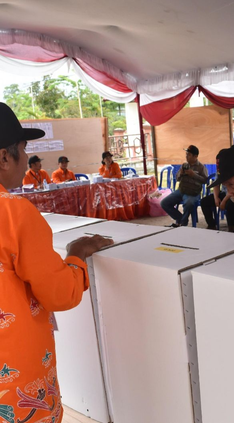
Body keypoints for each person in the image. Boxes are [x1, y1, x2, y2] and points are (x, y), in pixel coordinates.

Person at [0, 102, 113, 423]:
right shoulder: (13, 212)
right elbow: (59, 294)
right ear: (4, 157)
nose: (26, 163)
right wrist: (77, 255)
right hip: (14, 373)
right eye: (23, 150)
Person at [161, 145, 208, 227]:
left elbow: (205, 180)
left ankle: (182, 224)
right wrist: (181, 173)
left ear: (195, 156)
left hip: (193, 192)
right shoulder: (184, 165)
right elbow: (177, 178)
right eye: (186, 154)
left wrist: (194, 175)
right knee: (164, 203)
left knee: (189, 203)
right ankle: (180, 218)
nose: (186, 156)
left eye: (189, 155)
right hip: (181, 190)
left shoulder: (201, 167)